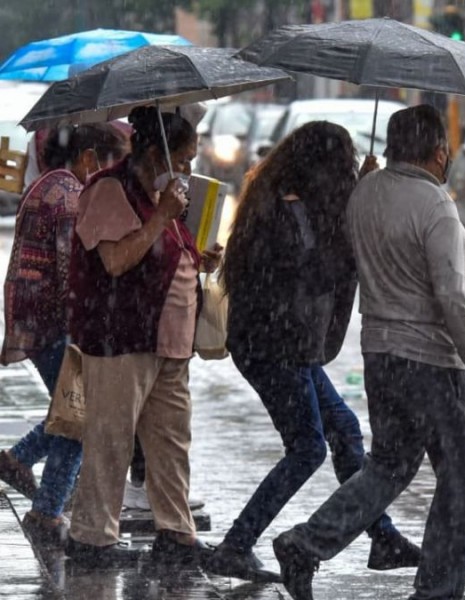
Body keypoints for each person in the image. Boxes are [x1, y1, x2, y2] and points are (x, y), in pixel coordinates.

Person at [271, 105, 465, 600]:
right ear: (439, 150)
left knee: (388, 467)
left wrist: (365, 184)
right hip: (432, 363)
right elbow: (451, 296)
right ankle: (438, 591)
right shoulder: (436, 206)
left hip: (381, 358)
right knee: (461, 485)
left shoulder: (365, 194)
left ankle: (307, 543)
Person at [206, 121, 420, 583]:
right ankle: (237, 545)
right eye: (341, 162)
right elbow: (313, 273)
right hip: (272, 346)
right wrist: (352, 220)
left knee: (343, 429)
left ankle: (381, 538)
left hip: (286, 345)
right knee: (307, 449)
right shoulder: (283, 209)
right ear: (320, 165)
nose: (345, 170)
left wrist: (359, 195)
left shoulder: (295, 201)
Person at [64, 104, 222, 567]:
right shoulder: (111, 190)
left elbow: (165, 251)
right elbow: (116, 261)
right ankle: (92, 537)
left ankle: (176, 532)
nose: (189, 168)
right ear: (156, 154)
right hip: (121, 337)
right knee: (111, 440)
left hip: (169, 343)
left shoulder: (164, 196)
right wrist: (162, 217)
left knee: (171, 443)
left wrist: (197, 258)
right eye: (184, 158)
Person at [0, 123, 130, 546]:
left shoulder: (53, 184)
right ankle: (46, 510)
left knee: (71, 409)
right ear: (90, 158)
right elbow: (67, 271)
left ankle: (20, 462)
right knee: (81, 416)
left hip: (38, 319)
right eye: (111, 165)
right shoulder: (69, 196)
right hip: (53, 323)